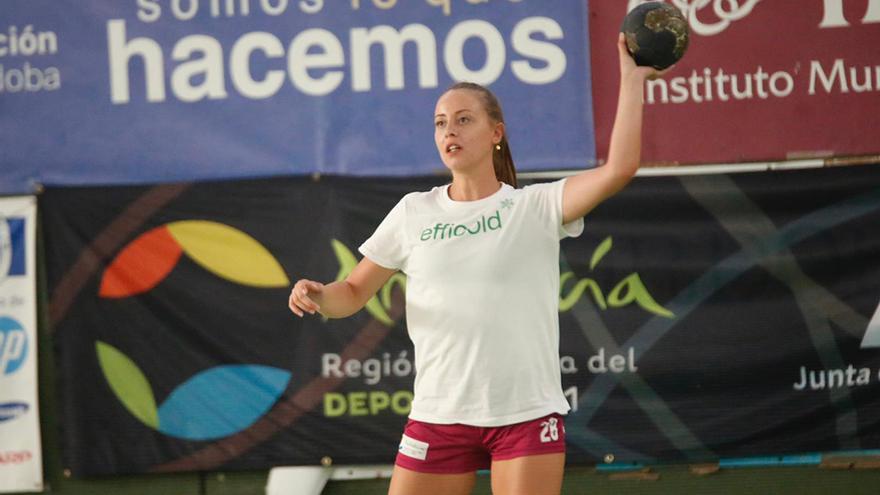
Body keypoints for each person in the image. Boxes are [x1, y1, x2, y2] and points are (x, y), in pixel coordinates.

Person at [289, 34, 662, 495]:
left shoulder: (535, 206)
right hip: (438, 415)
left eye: (464, 120)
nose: (450, 131)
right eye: (441, 122)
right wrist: (319, 293)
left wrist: (631, 79)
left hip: (525, 414)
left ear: (495, 133)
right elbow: (351, 293)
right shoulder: (413, 211)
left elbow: (619, 168)